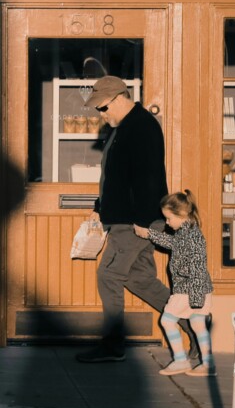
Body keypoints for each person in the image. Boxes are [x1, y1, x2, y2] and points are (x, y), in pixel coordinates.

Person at [76, 75, 199, 363]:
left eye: (103, 108)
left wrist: (143, 222)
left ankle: (112, 345)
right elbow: (117, 177)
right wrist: (99, 207)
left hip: (133, 221)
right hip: (128, 217)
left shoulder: (141, 126)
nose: (101, 115)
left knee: (108, 275)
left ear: (120, 98)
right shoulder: (125, 126)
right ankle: (194, 324)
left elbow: (147, 178)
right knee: (140, 279)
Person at [135, 190, 214, 377]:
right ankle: (208, 364)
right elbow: (173, 243)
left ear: (182, 215)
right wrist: (149, 234)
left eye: (169, 218)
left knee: (167, 320)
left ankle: (180, 360)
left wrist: (195, 298)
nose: (168, 223)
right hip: (198, 289)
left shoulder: (191, 236)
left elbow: (196, 266)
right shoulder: (188, 231)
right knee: (198, 324)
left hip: (188, 289)